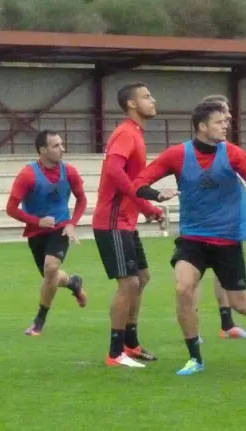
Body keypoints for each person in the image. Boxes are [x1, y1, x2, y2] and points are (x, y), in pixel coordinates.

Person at [134, 101, 246, 375]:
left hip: (227, 240)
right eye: (220, 122)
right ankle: (195, 358)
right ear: (202, 126)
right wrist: (157, 195)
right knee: (183, 289)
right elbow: (139, 183)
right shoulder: (176, 155)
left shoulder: (233, 153)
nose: (225, 126)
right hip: (193, 238)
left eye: (226, 122)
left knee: (242, 304)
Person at [92, 82, 172, 368]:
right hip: (112, 221)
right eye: (147, 96)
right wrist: (147, 197)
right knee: (129, 284)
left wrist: (148, 209)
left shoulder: (135, 134)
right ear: (132, 105)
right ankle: (115, 353)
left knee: (143, 277)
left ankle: (131, 342)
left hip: (126, 222)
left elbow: (131, 182)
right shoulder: (126, 133)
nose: (153, 100)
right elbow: (114, 171)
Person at [6, 130, 88, 336]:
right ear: (42, 150)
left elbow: (82, 199)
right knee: (51, 276)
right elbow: (11, 208)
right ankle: (73, 283)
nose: (62, 149)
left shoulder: (69, 171)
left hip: (60, 228)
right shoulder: (27, 174)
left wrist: (72, 223)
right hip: (36, 233)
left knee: (51, 268)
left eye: (61, 144)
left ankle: (39, 320)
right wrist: (37, 222)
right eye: (56, 146)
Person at [193, 94, 246, 341]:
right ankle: (194, 328)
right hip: (202, 223)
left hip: (230, 221)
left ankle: (227, 323)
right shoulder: (199, 150)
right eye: (223, 113)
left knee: (223, 275)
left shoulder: (228, 149)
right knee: (192, 277)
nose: (228, 119)